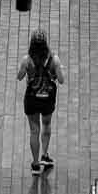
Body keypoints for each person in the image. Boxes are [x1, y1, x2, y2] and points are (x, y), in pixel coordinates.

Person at [17, 29, 66, 176]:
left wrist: (25, 70)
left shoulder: (27, 60)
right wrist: (58, 71)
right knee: (46, 125)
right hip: (47, 99)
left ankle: (35, 164)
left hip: (32, 99)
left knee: (34, 131)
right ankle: (45, 155)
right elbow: (62, 80)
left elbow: (19, 77)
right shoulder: (54, 60)